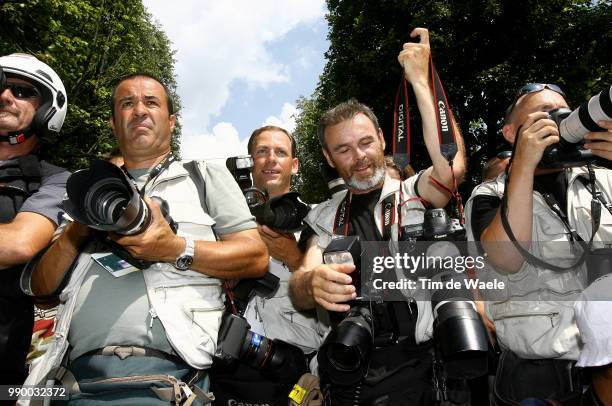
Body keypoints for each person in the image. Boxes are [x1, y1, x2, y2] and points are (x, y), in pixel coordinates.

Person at [19, 73, 268, 405]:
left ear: (171, 120)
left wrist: (174, 248)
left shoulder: (203, 177)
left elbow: (255, 256)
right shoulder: (89, 190)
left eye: (151, 102)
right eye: (127, 104)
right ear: (113, 122)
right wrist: (78, 229)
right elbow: (40, 289)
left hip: (174, 380)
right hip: (75, 382)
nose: (139, 111)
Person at [289, 28, 466, 405]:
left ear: (384, 140)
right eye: (345, 149)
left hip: (426, 369)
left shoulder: (413, 193)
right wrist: (312, 284)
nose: (360, 155)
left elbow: (450, 169)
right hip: (352, 371)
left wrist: (421, 81)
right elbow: (301, 282)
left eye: (366, 142)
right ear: (329, 158)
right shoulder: (322, 218)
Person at [464, 83, 612, 404]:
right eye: (542, 116)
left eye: (562, 113)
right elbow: (505, 258)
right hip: (540, 380)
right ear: (510, 133)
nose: (556, 123)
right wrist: (523, 166)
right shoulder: (489, 197)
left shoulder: (603, 180)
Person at [211, 125, 328, 405]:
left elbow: (343, 297)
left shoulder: (323, 221)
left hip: (296, 372)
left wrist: (295, 258)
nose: (271, 159)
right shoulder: (220, 224)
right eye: (261, 152)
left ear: (295, 164)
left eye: (281, 152)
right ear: (249, 162)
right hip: (227, 368)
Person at [0, 53, 69, 391]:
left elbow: (18, 243)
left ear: (47, 109)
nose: (5, 96)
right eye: (0, 87)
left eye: (21, 91)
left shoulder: (55, 181)